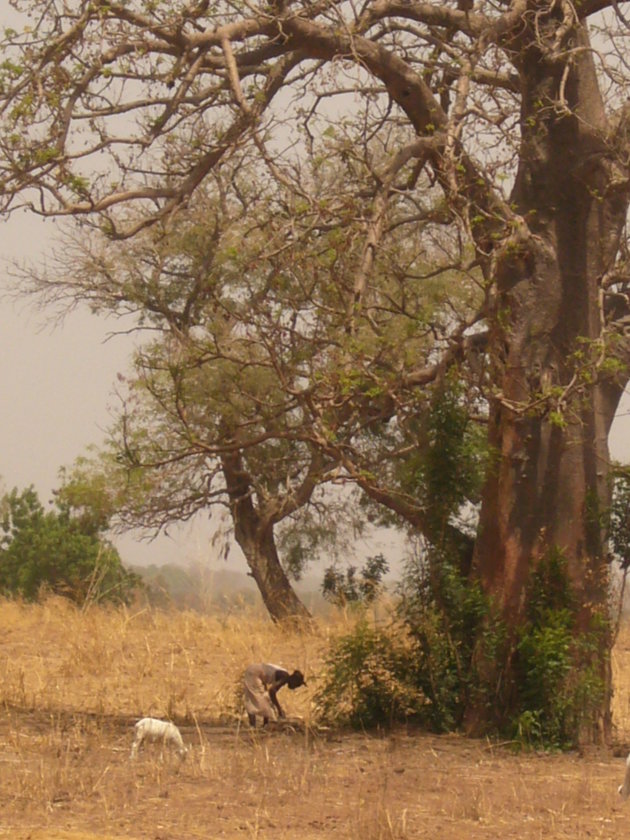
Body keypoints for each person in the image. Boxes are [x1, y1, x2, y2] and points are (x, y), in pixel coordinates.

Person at [243, 662, 306, 727]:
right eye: (296, 685)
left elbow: (269, 695)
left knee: (257, 698)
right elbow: (272, 692)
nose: (295, 687)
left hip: (254, 670)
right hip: (255, 673)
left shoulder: (284, 674)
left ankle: (264, 725)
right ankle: (253, 726)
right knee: (254, 699)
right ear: (294, 680)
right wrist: (279, 709)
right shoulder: (284, 677)